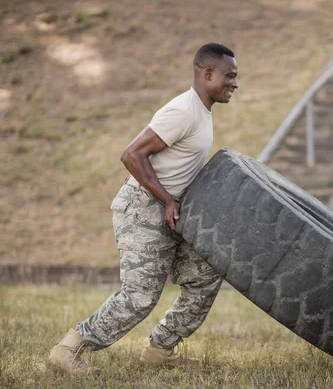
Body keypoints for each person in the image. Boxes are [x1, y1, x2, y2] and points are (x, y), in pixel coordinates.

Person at [49, 43, 239, 375]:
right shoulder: (182, 111)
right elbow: (131, 155)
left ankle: (161, 349)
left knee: (206, 275)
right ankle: (69, 348)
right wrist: (167, 199)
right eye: (230, 76)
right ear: (208, 74)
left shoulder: (201, 112)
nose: (235, 84)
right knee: (140, 296)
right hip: (143, 209)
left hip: (172, 213)